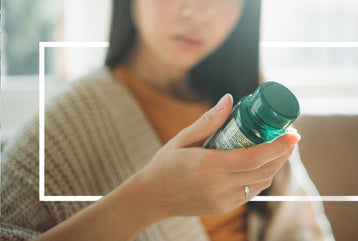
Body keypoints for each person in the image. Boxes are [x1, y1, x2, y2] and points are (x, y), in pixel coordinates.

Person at [1, 0, 335, 240]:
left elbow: (302, 225)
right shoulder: (68, 120)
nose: (197, 12)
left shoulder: (252, 102)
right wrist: (147, 200)